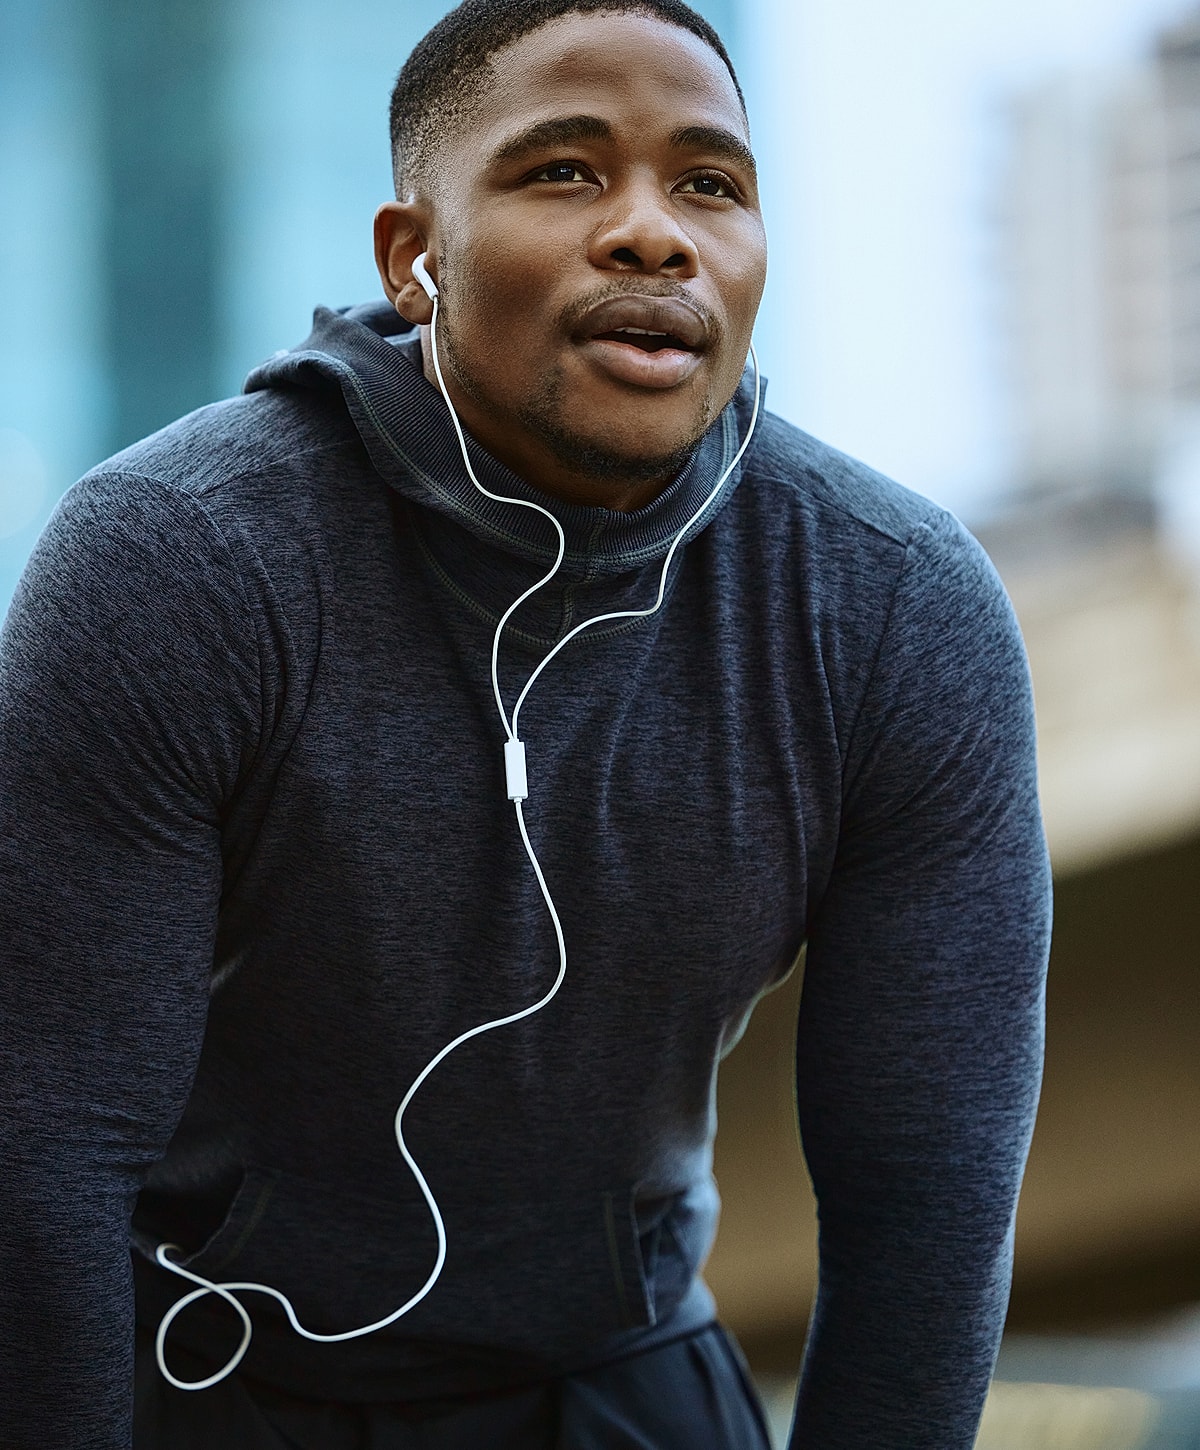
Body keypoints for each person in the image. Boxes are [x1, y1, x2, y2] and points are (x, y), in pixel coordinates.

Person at [0, 1, 1051, 1446]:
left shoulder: (892, 608)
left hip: (619, 1378)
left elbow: (925, 1202)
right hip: (197, 1370)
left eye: (711, 183)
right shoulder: (177, 560)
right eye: (563, 170)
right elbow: (47, 1150)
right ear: (413, 257)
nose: (654, 234)